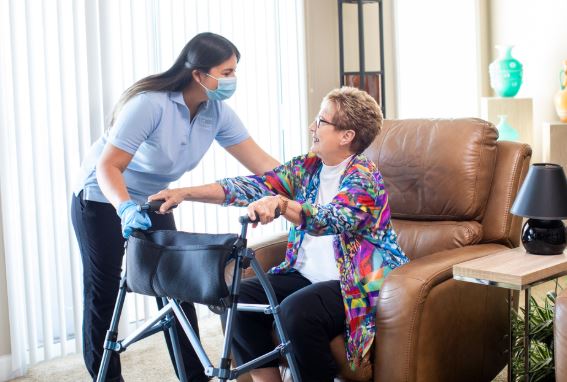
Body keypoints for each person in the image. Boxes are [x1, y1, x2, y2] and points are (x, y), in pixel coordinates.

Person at [149, 86, 410, 381]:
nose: (313, 126)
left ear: (346, 136)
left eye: (322, 121)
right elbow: (252, 186)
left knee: (295, 311)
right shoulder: (309, 167)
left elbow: (330, 219)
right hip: (303, 274)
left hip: (353, 282)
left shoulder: (364, 178)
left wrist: (283, 204)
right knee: (233, 297)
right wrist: (185, 193)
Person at [70, 32, 279, 382]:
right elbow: (107, 167)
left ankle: (193, 376)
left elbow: (266, 166)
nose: (233, 79)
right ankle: (105, 377)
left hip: (154, 201)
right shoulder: (151, 104)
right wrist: (123, 207)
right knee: (104, 291)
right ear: (198, 74)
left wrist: (307, 183)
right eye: (226, 72)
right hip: (103, 198)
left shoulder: (217, 113)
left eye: (234, 71)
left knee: (176, 286)